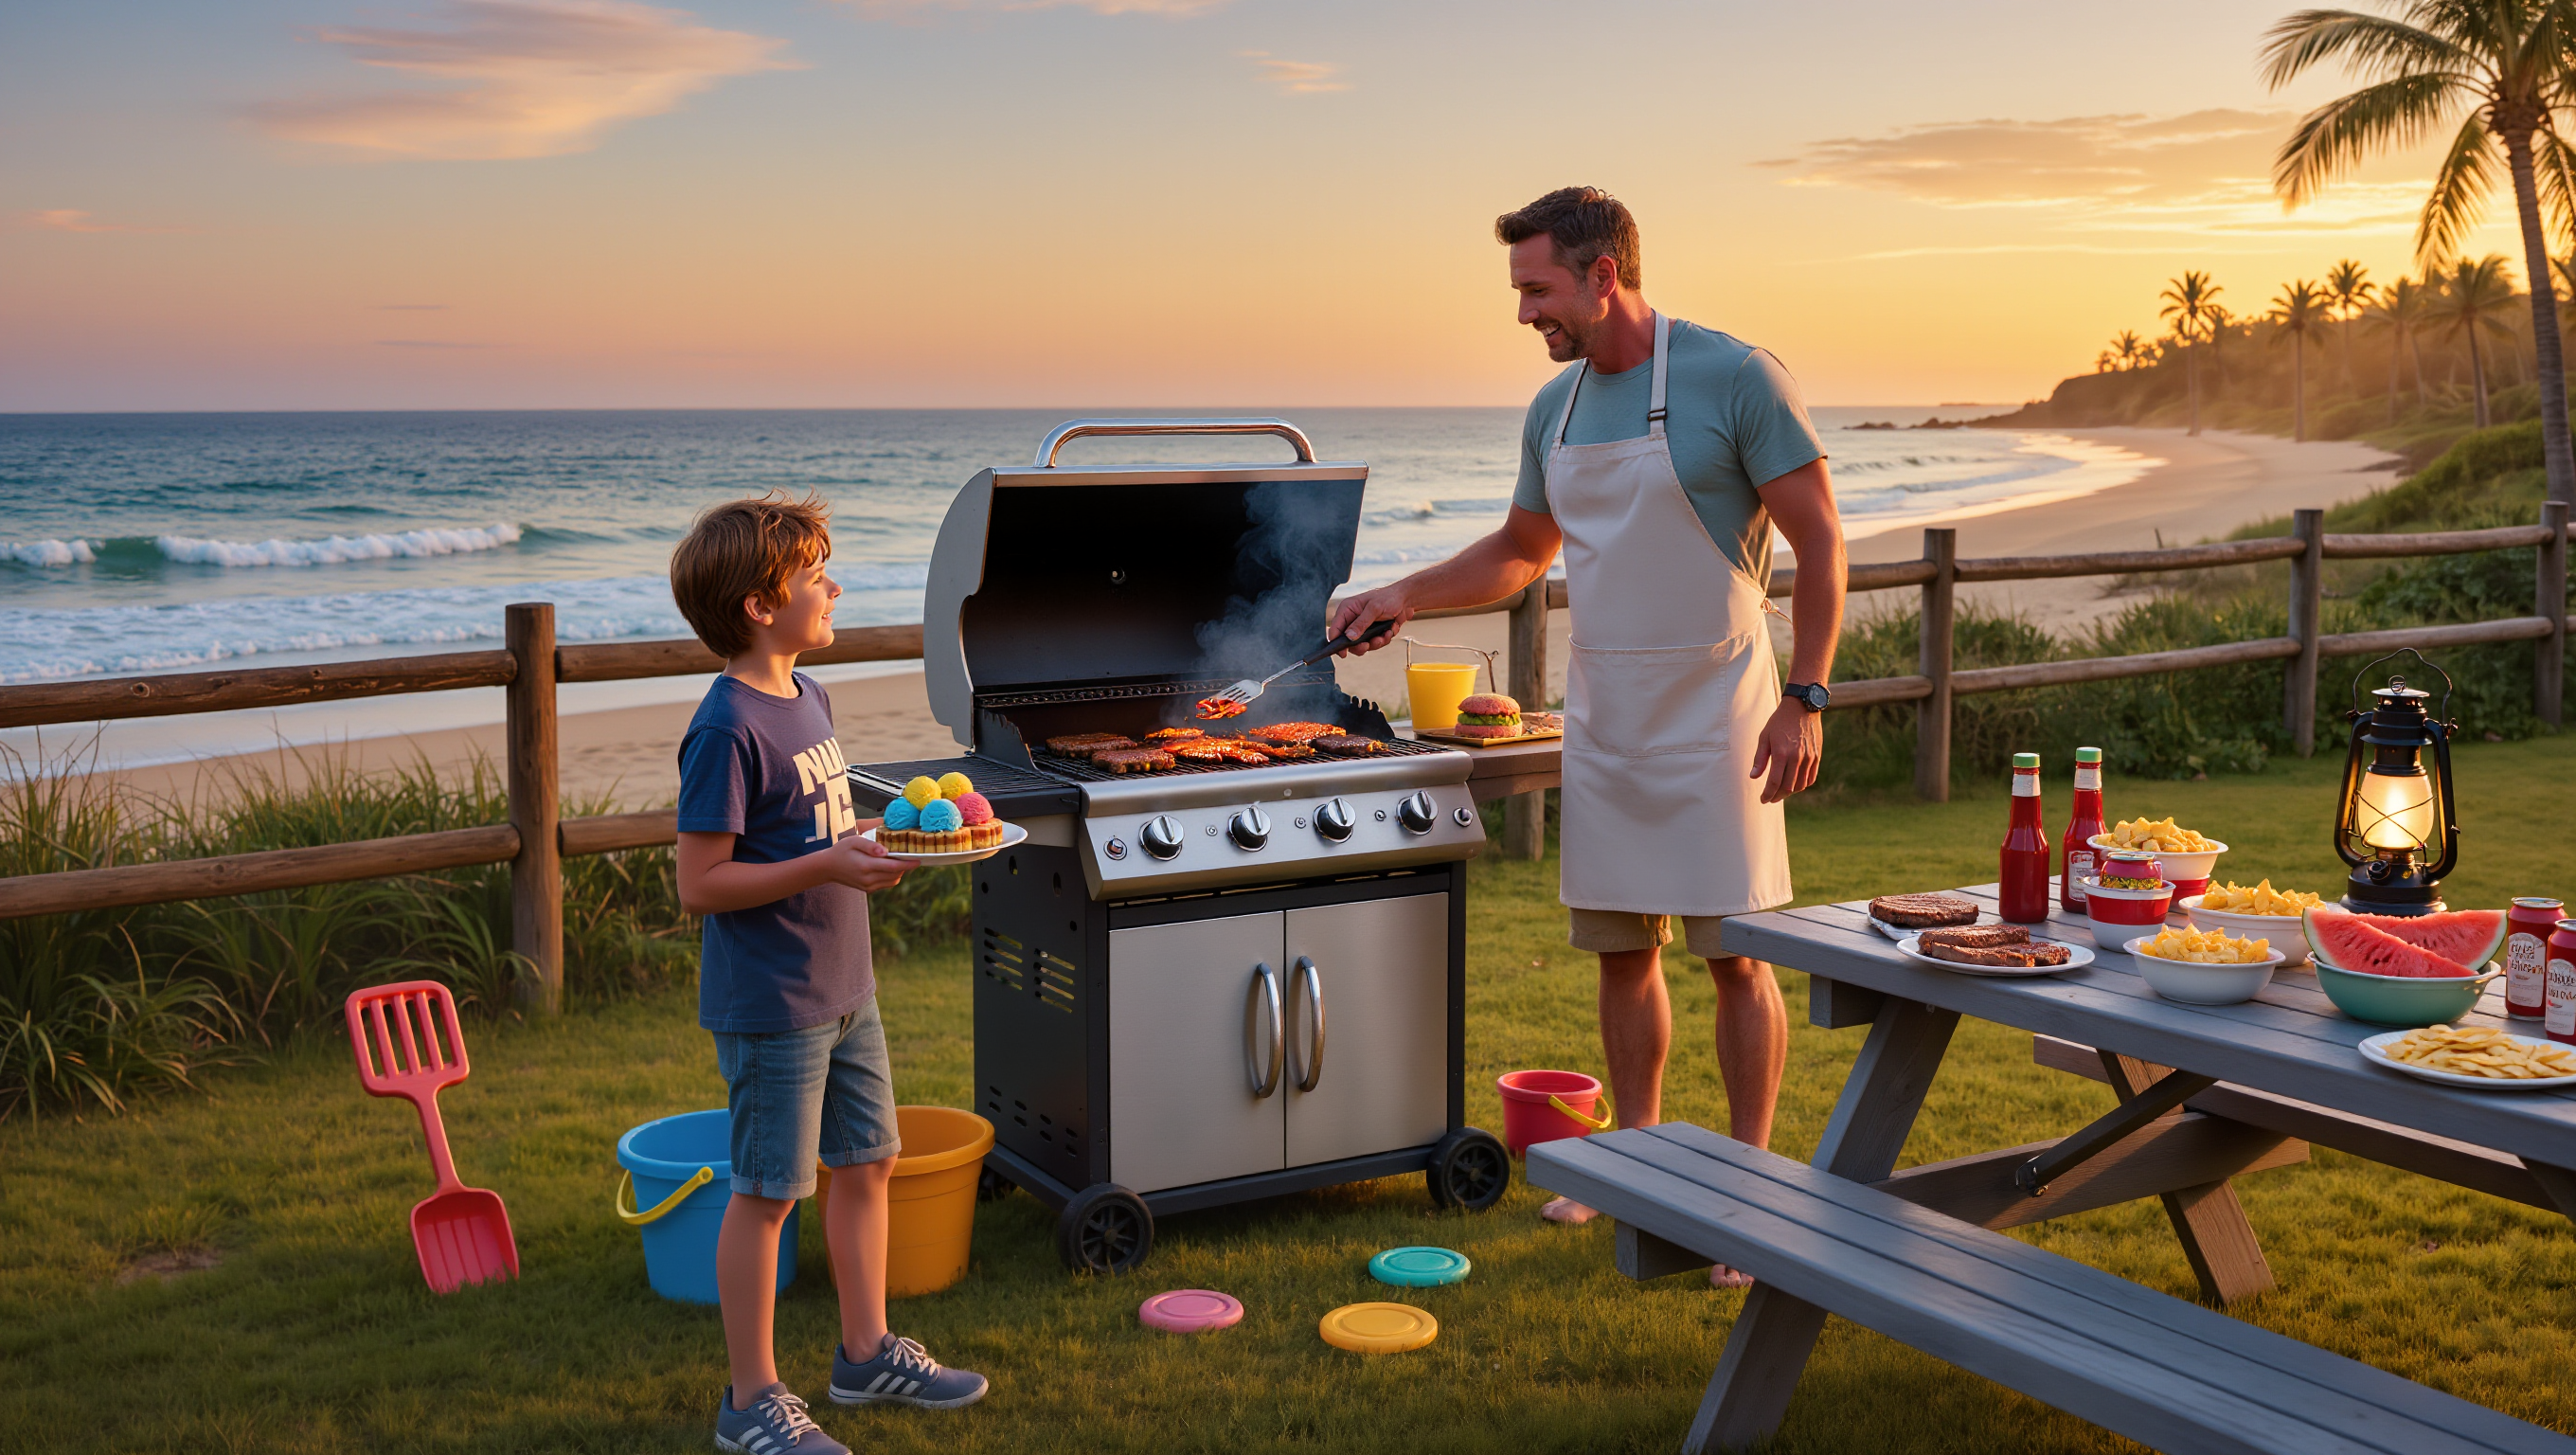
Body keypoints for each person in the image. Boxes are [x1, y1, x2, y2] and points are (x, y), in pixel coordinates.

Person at [1333, 187, 1845, 1285]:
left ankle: (1747, 1192)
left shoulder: (1735, 377)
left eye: (1536, 289)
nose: (1523, 314)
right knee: (1621, 950)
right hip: (1607, 715)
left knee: (1736, 957)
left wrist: (1804, 698)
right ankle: (1637, 1157)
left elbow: (1820, 543)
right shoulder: (1553, 409)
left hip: (1722, 715)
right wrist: (1405, 591)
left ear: (1602, 274)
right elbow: (1522, 550)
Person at [671, 492, 989, 1455]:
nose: (832, 585)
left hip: (845, 984)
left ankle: (863, 1354)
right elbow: (701, 882)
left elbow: (809, 831)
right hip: (775, 1001)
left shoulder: (807, 696)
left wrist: (860, 846)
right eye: (814, 576)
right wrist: (822, 864)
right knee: (768, 1191)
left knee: (870, 1161)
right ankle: (751, 1401)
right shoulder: (725, 727)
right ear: (761, 606)